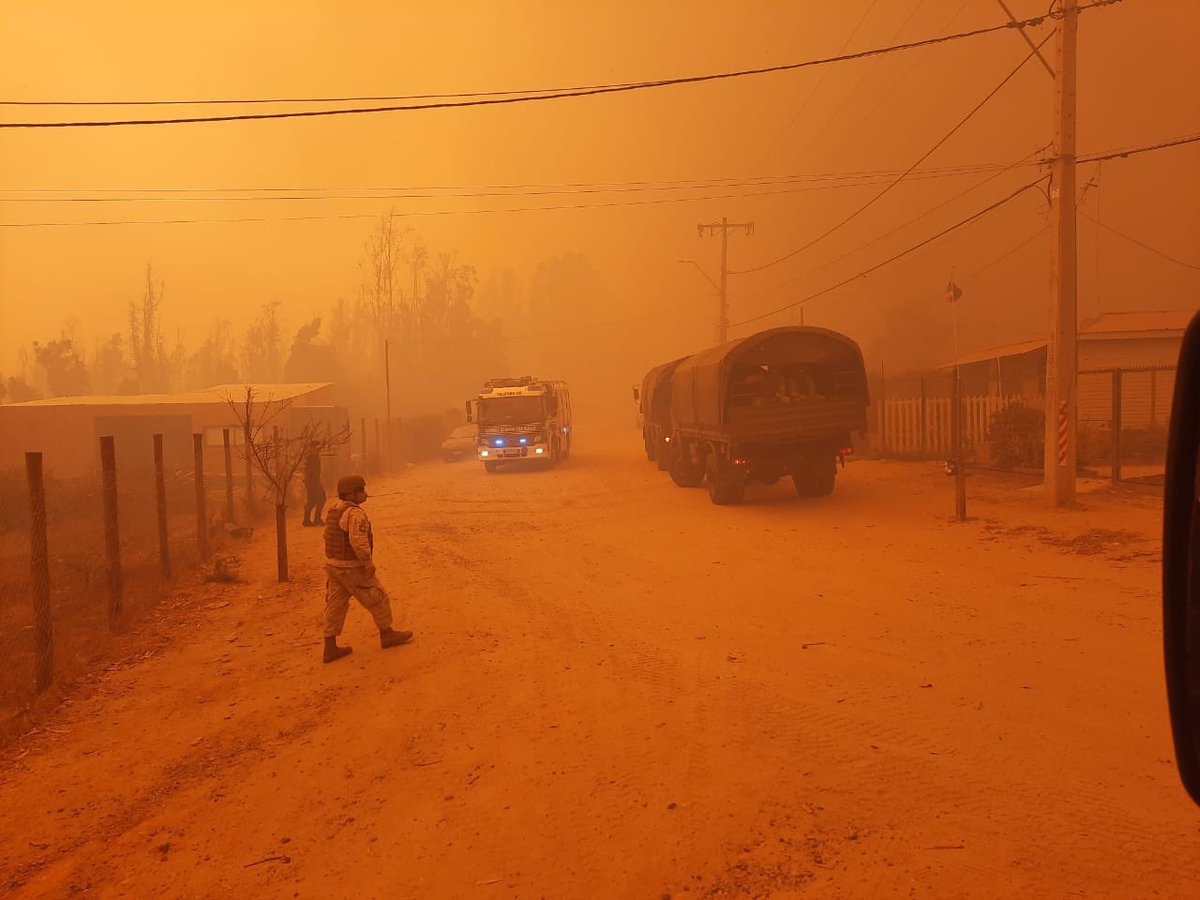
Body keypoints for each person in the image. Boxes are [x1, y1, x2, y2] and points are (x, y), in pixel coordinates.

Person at [321, 474, 412, 663]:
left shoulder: (335, 509)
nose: (365, 493)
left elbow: (327, 536)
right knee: (378, 597)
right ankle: (387, 633)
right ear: (351, 494)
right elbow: (358, 541)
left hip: (333, 566)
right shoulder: (355, 514)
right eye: (361, 490)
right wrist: (367, 563)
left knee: (335, 605)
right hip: (351, 567)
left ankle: (330, 646)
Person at [301, 450, 326, 527]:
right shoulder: (312, 457)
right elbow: (312, 471)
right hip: (313, 481)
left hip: (312, 481)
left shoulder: (311, 456)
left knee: (312, 500)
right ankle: (316, 519)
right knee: (322, 498)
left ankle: (307, 519)